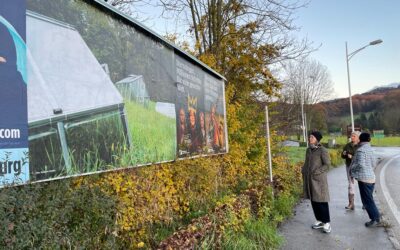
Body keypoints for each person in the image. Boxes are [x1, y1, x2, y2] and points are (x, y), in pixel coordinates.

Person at [302, 131, 332, 233]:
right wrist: (303, 170)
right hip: (309, 179)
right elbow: (306, 163)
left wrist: (317, 172)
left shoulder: (322, 150)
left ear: (317, 140)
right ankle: (319, 220)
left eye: (312, 137)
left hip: (319, 180)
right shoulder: (308, 150)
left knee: (321, 201)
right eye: (309, 137)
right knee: (313, 200)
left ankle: (327, 222)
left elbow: (327, 164)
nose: (310, 139)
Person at [350, 132, 381, 227]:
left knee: (367, 200)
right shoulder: (370, 149)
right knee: (369, 199)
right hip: (371, 177)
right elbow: (374, 163)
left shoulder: (360, 150)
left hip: (364, 179)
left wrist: (352, 169)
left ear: (360, 139)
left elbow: (360, 165)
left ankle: (375, 219)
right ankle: (376, 217)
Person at [341, 131, 361, 210]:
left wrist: (351, 157)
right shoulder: (347, 145)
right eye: (351, 136)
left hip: (359, 168)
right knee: (351, 185)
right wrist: (344, 154)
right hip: (349, 167)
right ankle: (351, 204)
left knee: (362, 185)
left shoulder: (360, 146)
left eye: (354, 136)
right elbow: (342, 155)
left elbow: (360, 158)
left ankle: (365, 203)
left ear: (358, 138)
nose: (352, 137)